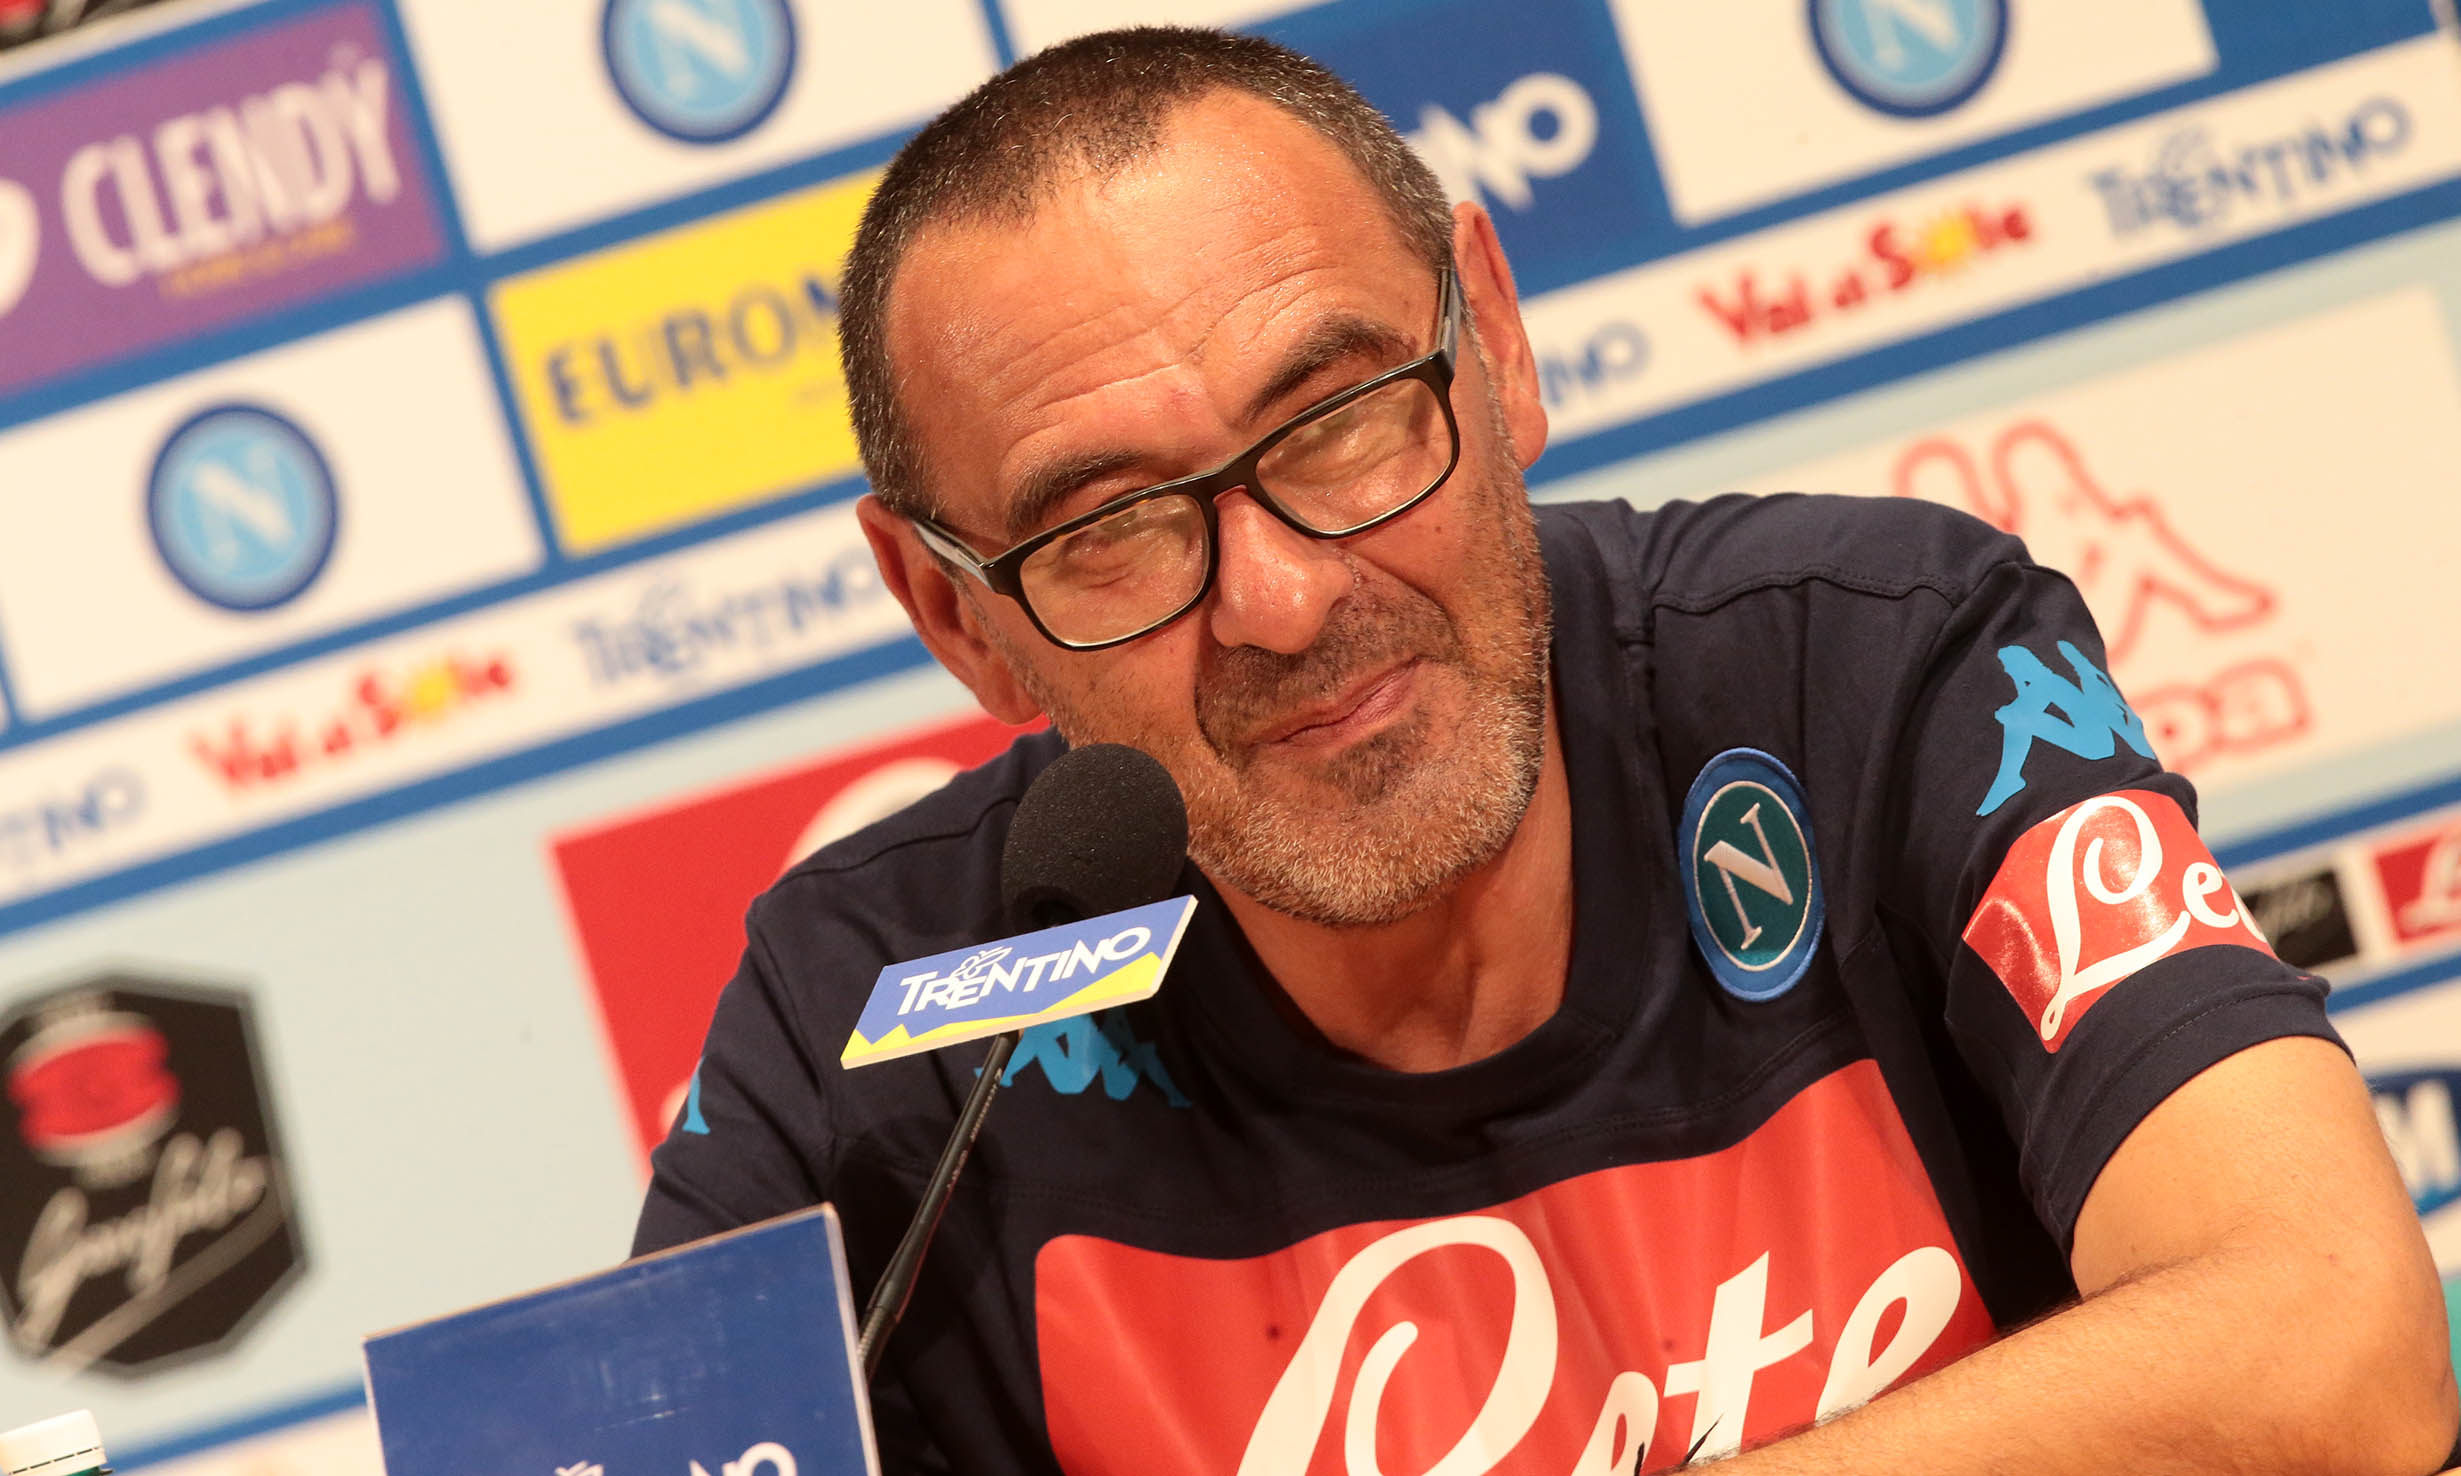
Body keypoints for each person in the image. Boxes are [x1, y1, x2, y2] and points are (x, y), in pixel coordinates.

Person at [634, 26, 2457, 1473]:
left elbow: (2336, 1343)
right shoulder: (877, 1018)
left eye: (1339, 420)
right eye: (1108, 527)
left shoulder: (1867, 667)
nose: (1279, 599)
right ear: (952, 612)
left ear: (1492, 342)